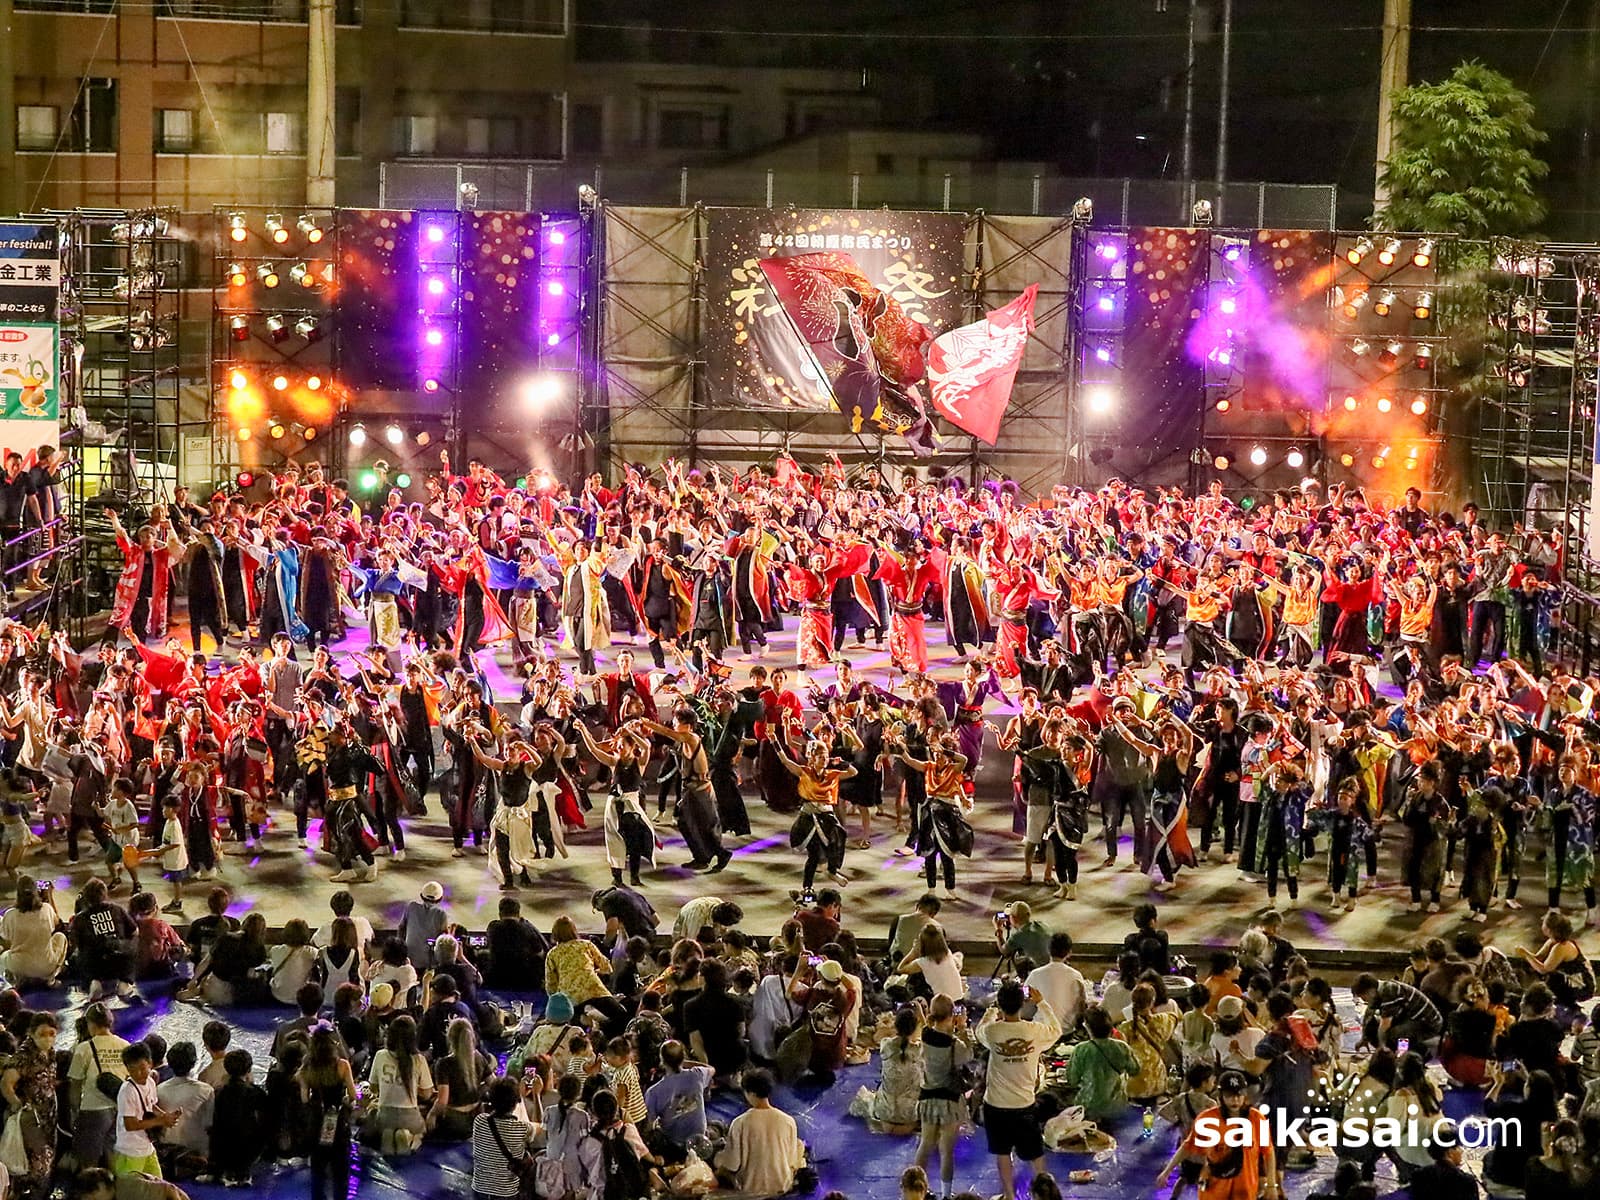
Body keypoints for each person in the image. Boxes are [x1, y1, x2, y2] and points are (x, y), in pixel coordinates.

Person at [974, 978, 1062, 1200]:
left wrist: (991, 1011)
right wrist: (1042, 1003)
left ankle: (1009, 1195)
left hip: (995, 1105)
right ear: (1023, 1004)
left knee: (1002, 1153)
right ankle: (1046, 1194)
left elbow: (979, 1031)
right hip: (1024, 1104)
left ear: (1001, 1004)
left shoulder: (993, 1032)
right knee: (1036, 1154)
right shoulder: (1034, 1031)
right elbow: (1056, 1029)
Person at [715, 1069, 806, 1197]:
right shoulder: (788, 1121)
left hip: (750, 1189)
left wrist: (718, 1161)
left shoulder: (740, 1123)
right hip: (782, 1186)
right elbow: (791, 1160)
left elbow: (732, 1165)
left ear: (750, 1093)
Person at [0, 1011, 58, 1200]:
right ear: (31, 1033)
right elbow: (6, 1084)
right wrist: (19, 1105)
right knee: (32, 1167)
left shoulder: (50, 1053)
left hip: (48, 1118)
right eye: (42, 1034)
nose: (48, 1038)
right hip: (30, 1121)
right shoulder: (24, 1056)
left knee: (45, 1165)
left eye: (52, 1033)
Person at [68, 1002, 131, 1170]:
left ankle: (92, 1193)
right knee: (113, 1156)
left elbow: (75, 1085)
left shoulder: (84, 1049)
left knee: (89, 1162)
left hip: (93, 1110)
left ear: (91, 1024)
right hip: (119, 1108)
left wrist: (75, 1111)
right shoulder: (125, 1046)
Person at [112, 1042, 179, 1179]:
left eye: (142, 1068)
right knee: (130, 1191)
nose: (138, 1074)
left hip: (147, 1147)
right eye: (132, 1070)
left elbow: (151, 1105)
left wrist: (165, 1116)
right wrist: (160, 1120)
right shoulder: (127, 1091)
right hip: (129, 1151)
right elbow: (130, 1125)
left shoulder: (150, 1082)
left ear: (150, 1063)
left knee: (158, 1186)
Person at [643, 1041, 714, 1162]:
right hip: (700, 1138)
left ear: (662, 1061)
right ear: (683, 1056)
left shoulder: (653, 1092)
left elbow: (650, 1124)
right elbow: (711, 1069)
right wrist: (683, 1062)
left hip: (675, 1143)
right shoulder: (697, 1074)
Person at [471, 1076, 539, 1200]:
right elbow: (540, 1125)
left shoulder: (479, 1121)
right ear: (516, 1103)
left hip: (480, 1189)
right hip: (506, 1193)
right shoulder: (521, 1128)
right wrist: (536, 1095)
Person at [1067, 1005, 1138, 1122]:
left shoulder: (1081, 1049)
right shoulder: (1122, 1046)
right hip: (1117, 1107)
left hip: (1089, 1107)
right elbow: (1135, 1070)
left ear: (1087, 1027)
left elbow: (1072, 1080)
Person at [0, 877, 68, 986]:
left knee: (3, 957)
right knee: (60, 937)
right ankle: (50, 979)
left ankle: (16, 981)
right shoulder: (47, 909)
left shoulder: (10, 915)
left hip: (19, 966)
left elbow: (5, 939)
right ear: (37, 892)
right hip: (46, 966)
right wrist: (49, 896)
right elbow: (58, 925)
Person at [1025, 933, 1087, 1032]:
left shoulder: (1035, 974)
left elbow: (1024, 997)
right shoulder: (1076, 975)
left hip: (1042, 1030)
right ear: (1069, 952)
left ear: (1048, 950)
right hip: (1066, 1031)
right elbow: (1082, 1005)